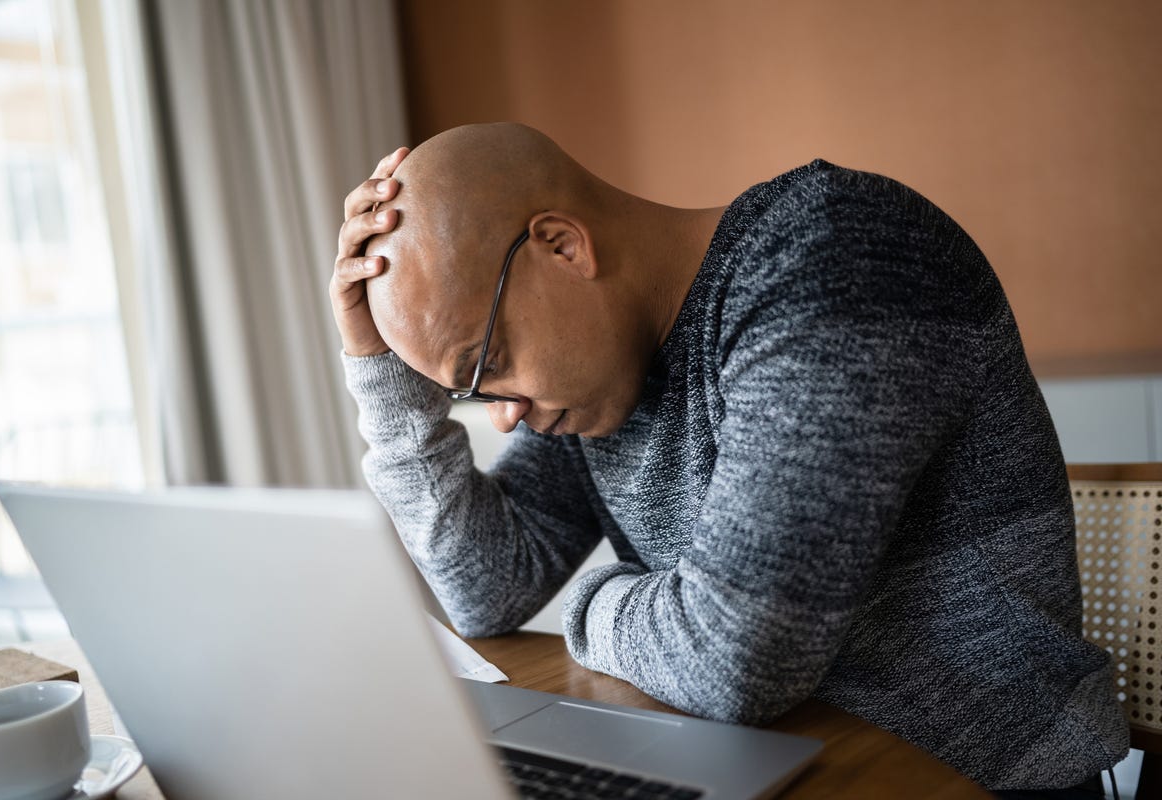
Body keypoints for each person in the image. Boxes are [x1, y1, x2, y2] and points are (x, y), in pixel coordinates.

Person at [329, 123, 1127, 795]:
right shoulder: (599, 376)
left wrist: (589, 603)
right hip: (769, 764)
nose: (504, 412)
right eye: (470, 389)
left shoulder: (839, 254)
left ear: (562, 245)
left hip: (965, 774)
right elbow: (485, 590)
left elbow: (733, 660)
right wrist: (378, 371)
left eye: (488, 360)